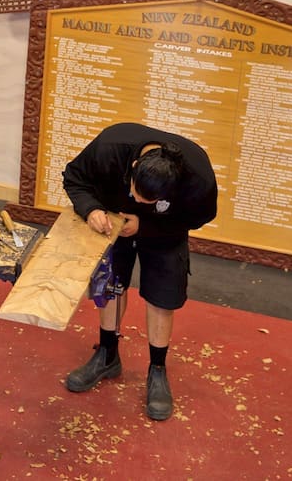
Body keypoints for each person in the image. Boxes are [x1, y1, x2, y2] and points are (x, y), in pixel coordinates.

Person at [61, 122, 218, 421]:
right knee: (109, 287)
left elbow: (201, 216)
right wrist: (91, 209)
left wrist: (146, 225)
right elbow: (74, 178)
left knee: (163, 297)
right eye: (136, 193)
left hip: (165, 232)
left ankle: (157, 369)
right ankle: (107, 355)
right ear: (133, 167)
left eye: (150, 201)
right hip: (111, 222)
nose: (138, 202)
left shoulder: (198, 175)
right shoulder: (110, 147)